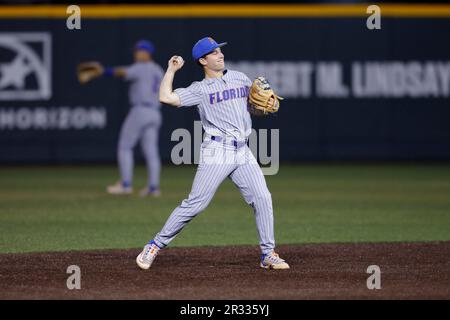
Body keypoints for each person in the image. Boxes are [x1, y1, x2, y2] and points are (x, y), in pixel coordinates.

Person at [136, 37, 289, 269]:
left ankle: (268, 254)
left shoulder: (240, 77)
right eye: (214, 52)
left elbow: (252, 110)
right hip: (217, 150)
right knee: (195, 203)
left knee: (262, 198)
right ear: (203, 60)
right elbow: (165, 97)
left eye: (219, 50)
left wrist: (262, 108)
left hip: (243, 150)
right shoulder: (200, 89)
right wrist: (171, 69)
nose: (220, 54)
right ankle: (155, 245)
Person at [102, 40, 164, 197]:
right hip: (155, 112)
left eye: (139, 51)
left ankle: (126, 184)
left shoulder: (141, 67)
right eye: (136, 51)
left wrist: (104, 71)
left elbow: (123, 72)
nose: (136, 53)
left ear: (147, 53)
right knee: (151, 151)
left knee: (124, 146)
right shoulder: (158, 69)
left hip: (141, 110)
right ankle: (153, 187)